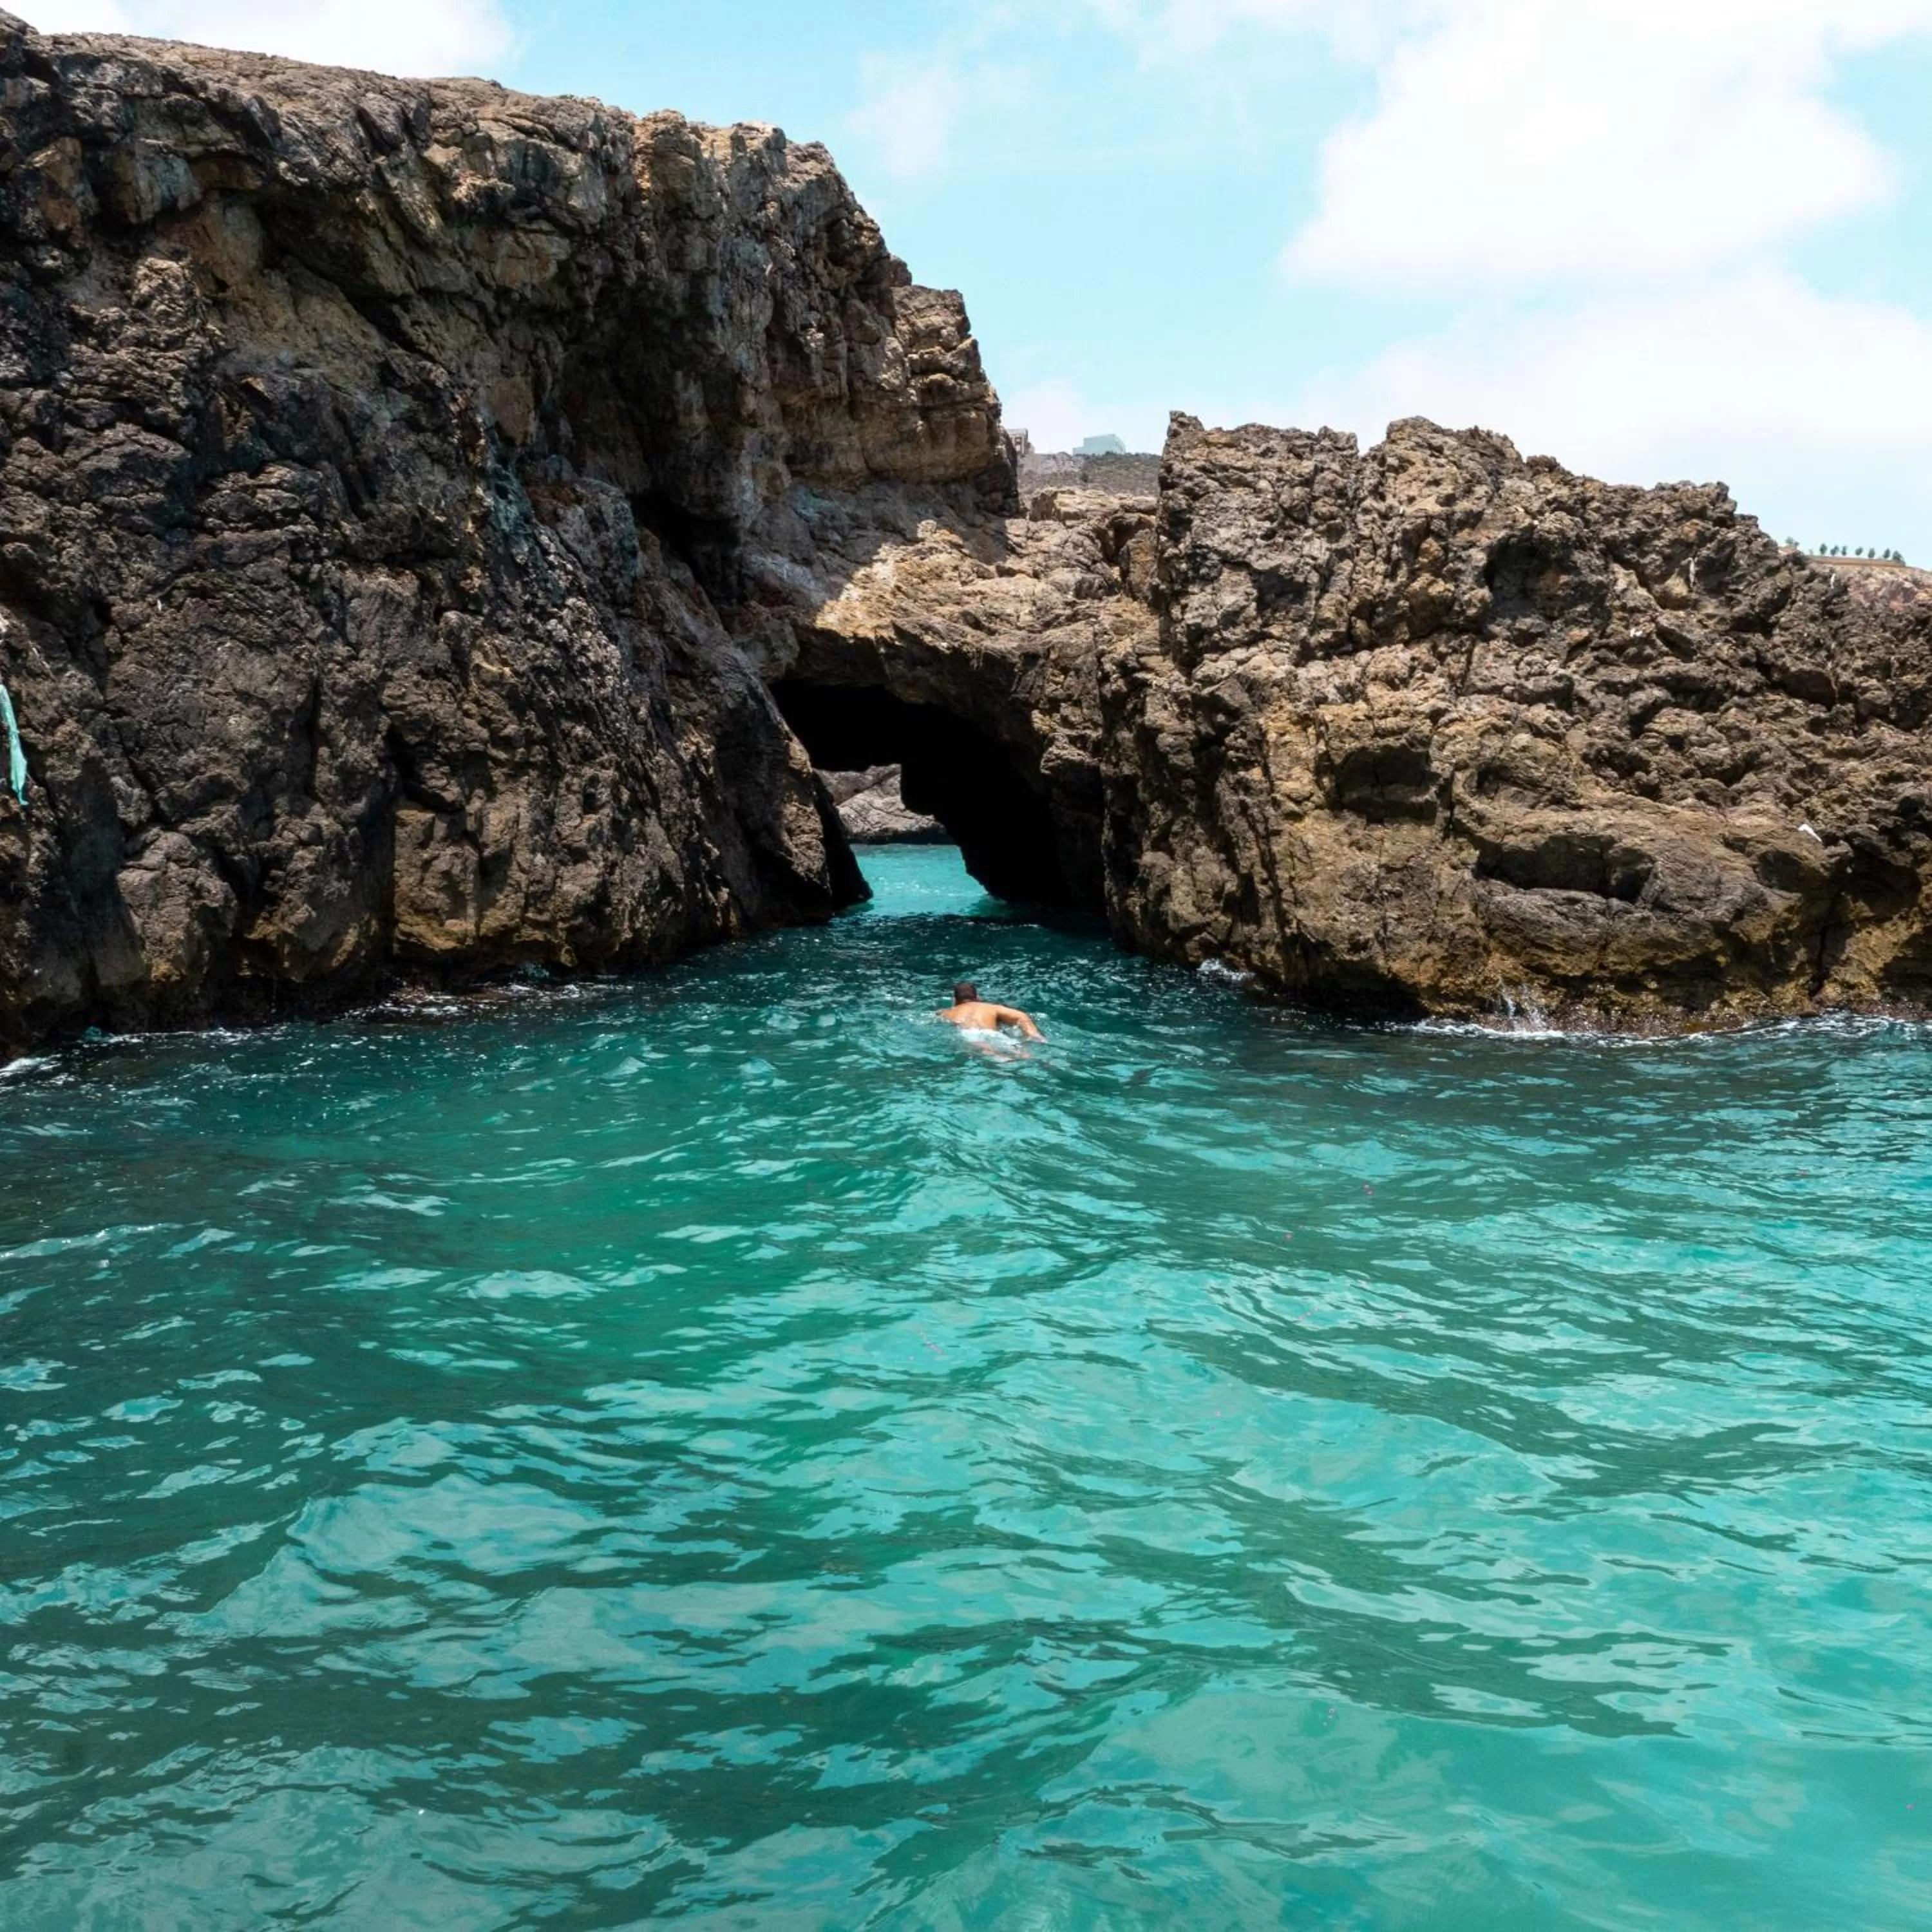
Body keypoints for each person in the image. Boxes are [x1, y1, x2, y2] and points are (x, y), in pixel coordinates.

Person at [938, 980, 1044, 1041]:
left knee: (990, 1052)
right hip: (992, 1034)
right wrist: (1033, 1033)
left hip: (969, 1035)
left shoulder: (946, 1012)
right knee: (1021, 1053)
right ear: (977, 997)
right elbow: (1021, 1016)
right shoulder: (991, 1007)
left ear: (955, 1000)